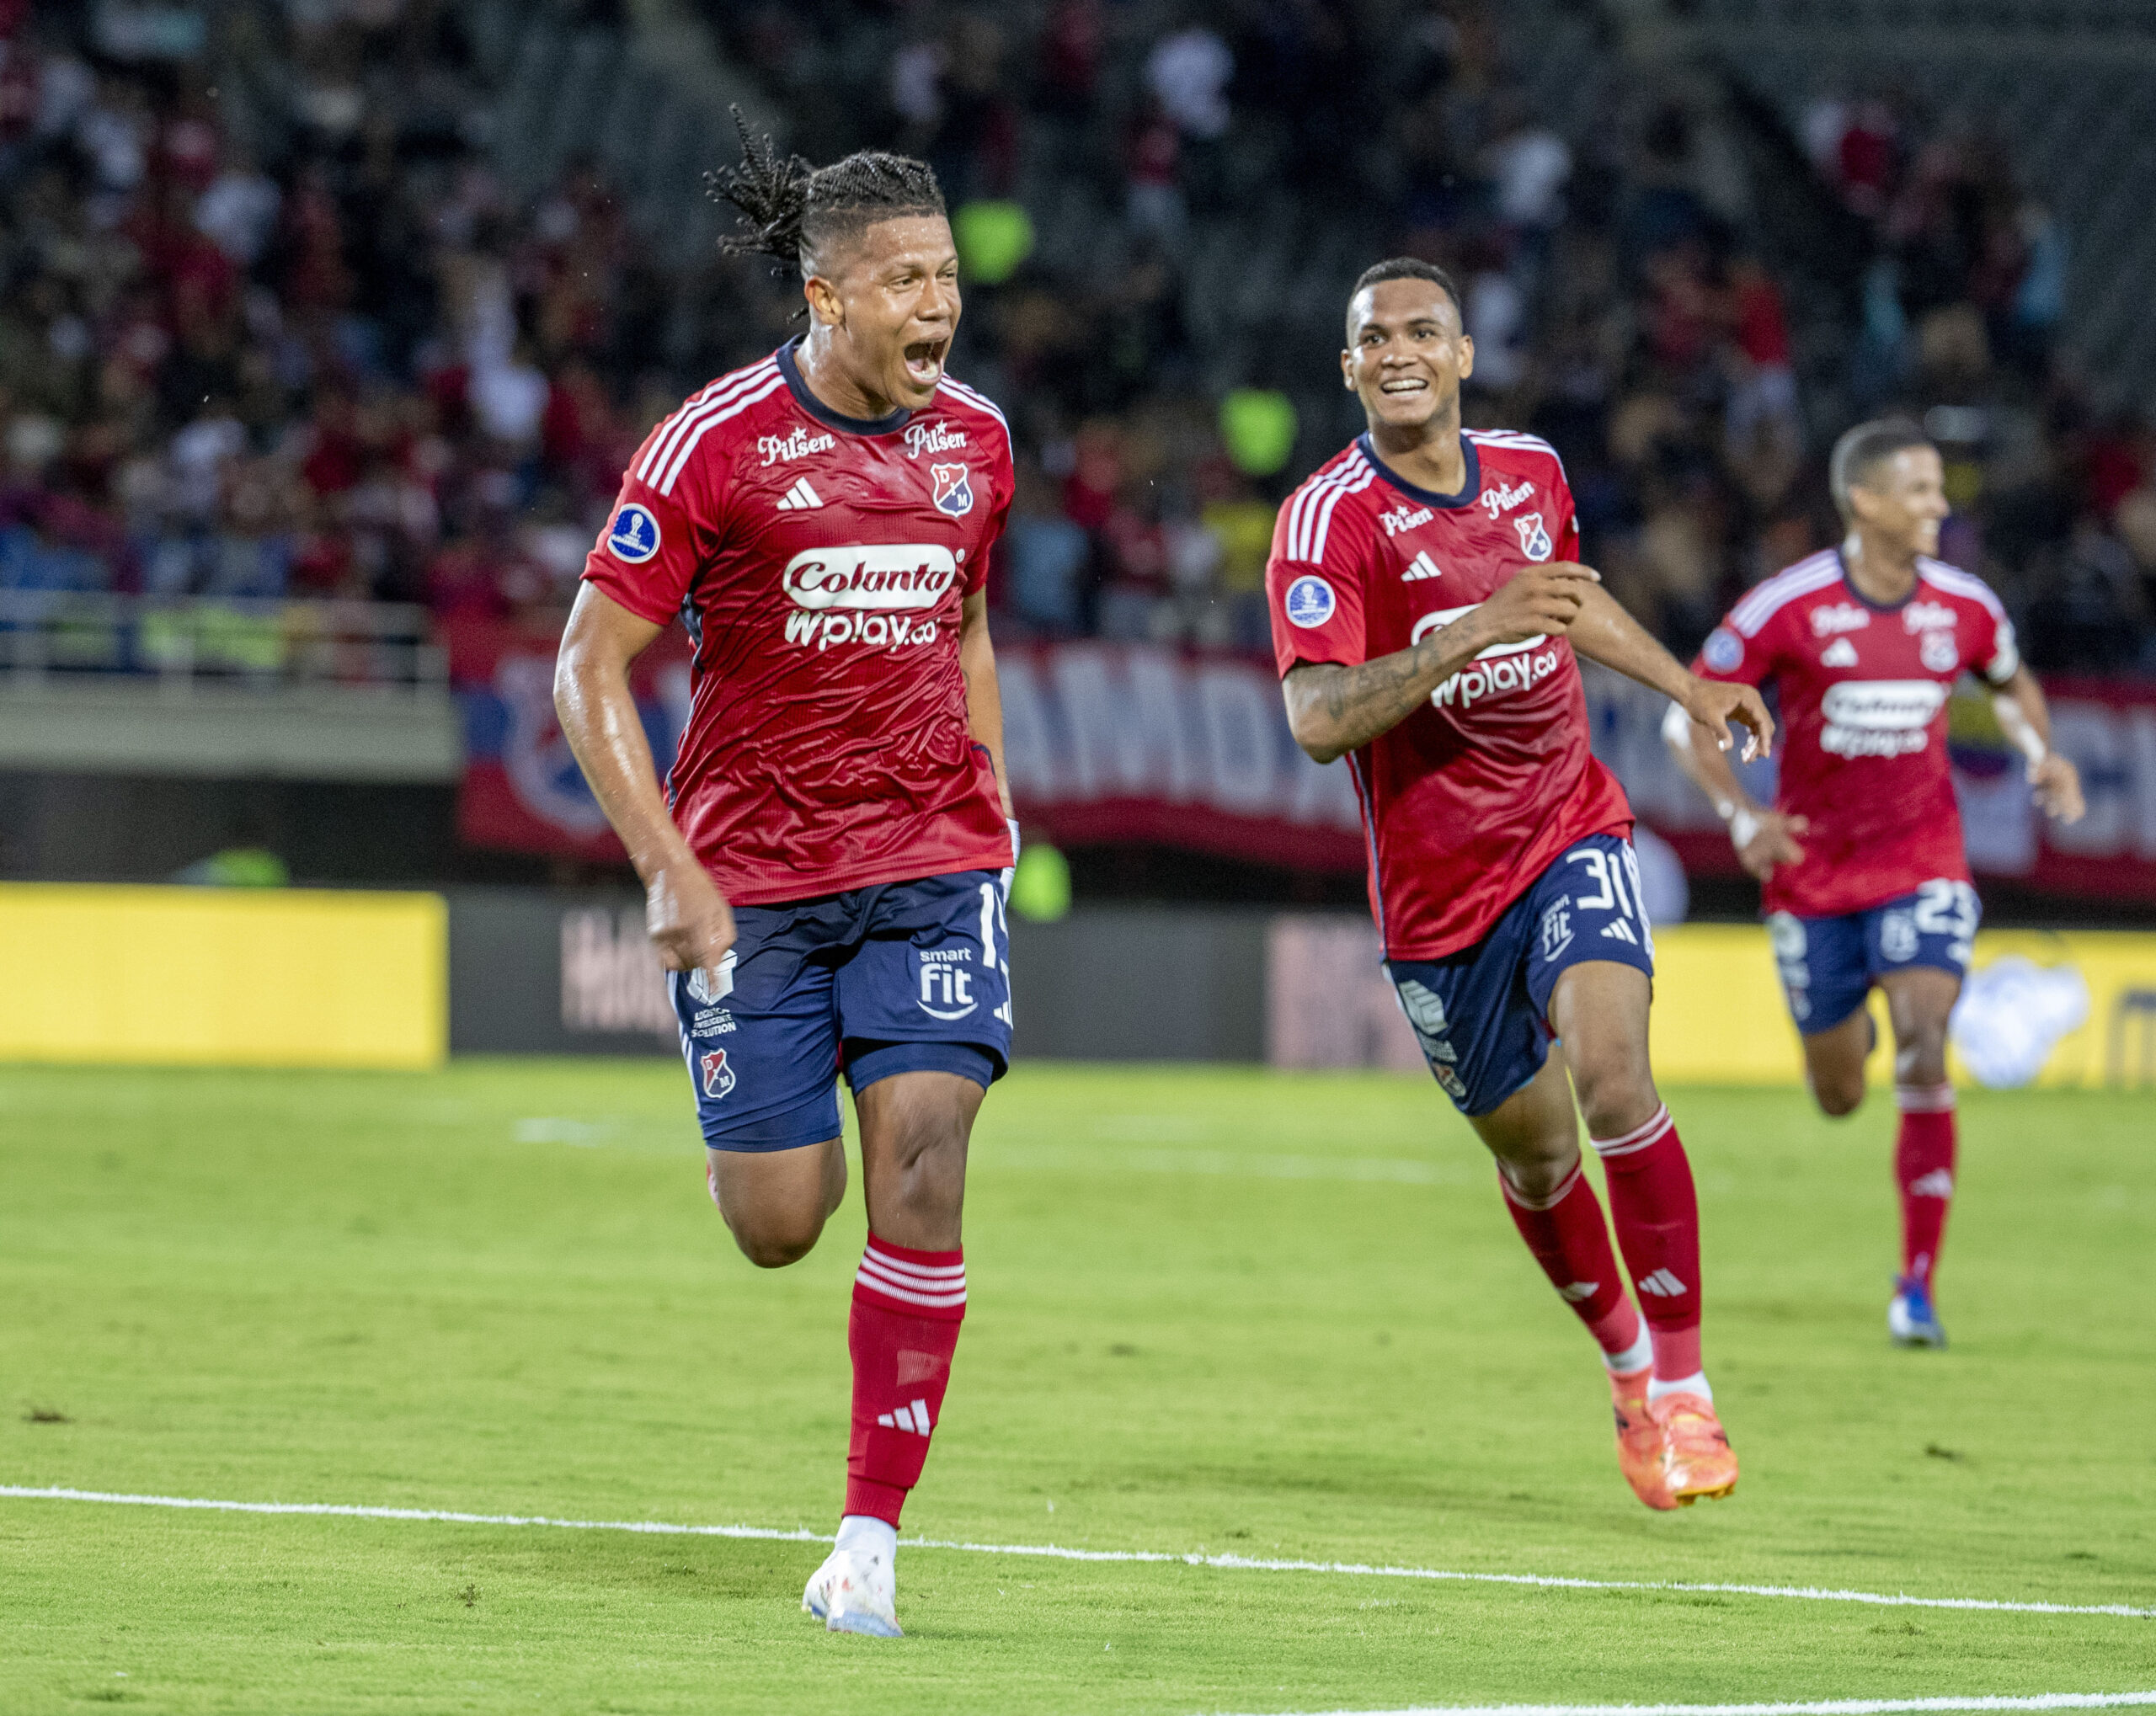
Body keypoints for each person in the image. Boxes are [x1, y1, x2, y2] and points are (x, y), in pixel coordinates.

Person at [552, 124, 1018, 1637]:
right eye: (905, 281)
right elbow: (586, 667)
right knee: (778, 1219)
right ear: (828, 296)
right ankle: (743, 1126)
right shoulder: (715, 445)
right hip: (751, 878)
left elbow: (965, 621)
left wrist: (993, 779)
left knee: (930, 1154)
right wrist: (664, 863)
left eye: (946, 275)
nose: (937, 304)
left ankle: (868, 1540)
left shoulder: (980, 444)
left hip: (932, 859)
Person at [1267, 258, 1773, 1511]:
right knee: (1541, 1160)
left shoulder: (1532, 472)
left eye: (1422, 330)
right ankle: (1624, 1370)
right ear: (1349, 367)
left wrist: (1690, 688)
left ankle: (1688, 1392)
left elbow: (1571, 604)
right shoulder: (1325, 523)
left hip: (1568, 827)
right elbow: (1320, 719)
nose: (1398, 348)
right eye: (1372, 332)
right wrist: (1471, 629)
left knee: (1614, 1078)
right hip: (1439, 904)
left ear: (1463, 355)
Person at [1664, 418, 2084, 1347]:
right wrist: (1740, 813)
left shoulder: (1963, 605)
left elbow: (2009, 684)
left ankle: (1916, 1287)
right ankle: (1847, 1020)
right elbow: (1685, 713)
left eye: (1941, 489)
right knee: (1839, 1092)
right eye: (1923, 489)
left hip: (1923, 860)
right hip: (1813, 878)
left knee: (1927, 1042)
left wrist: (2040, 752)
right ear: (1866, 500)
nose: (1942, 505)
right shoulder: (1790, 606)